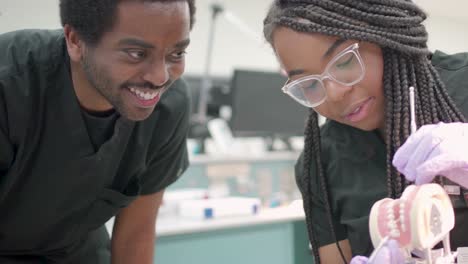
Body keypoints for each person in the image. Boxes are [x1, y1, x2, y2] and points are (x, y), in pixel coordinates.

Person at [262, 0, 468, 263]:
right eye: (309, 84)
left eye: (345, 61)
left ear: (384, 36)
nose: (335, 94)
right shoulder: (322, 161)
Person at [0, 0, 195, 263]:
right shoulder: (10, 85)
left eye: (176, 54)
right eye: (136, 53)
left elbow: (135, 235)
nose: (160, 77)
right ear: (75, 41)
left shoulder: (168, 106)